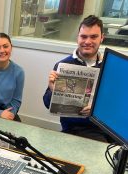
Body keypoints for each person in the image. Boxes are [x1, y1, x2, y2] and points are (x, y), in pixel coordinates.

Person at [43, 15, 114, 143]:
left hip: (104, 131)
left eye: (93, 37)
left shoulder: (109, 67)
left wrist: (96, 109)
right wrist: (53, 90)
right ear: (78, 37)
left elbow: (115, 104)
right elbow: (47, 104)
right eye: (84, 36)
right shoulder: (63, 65)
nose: (87, 41)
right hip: (72, 130)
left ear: (102, 37)